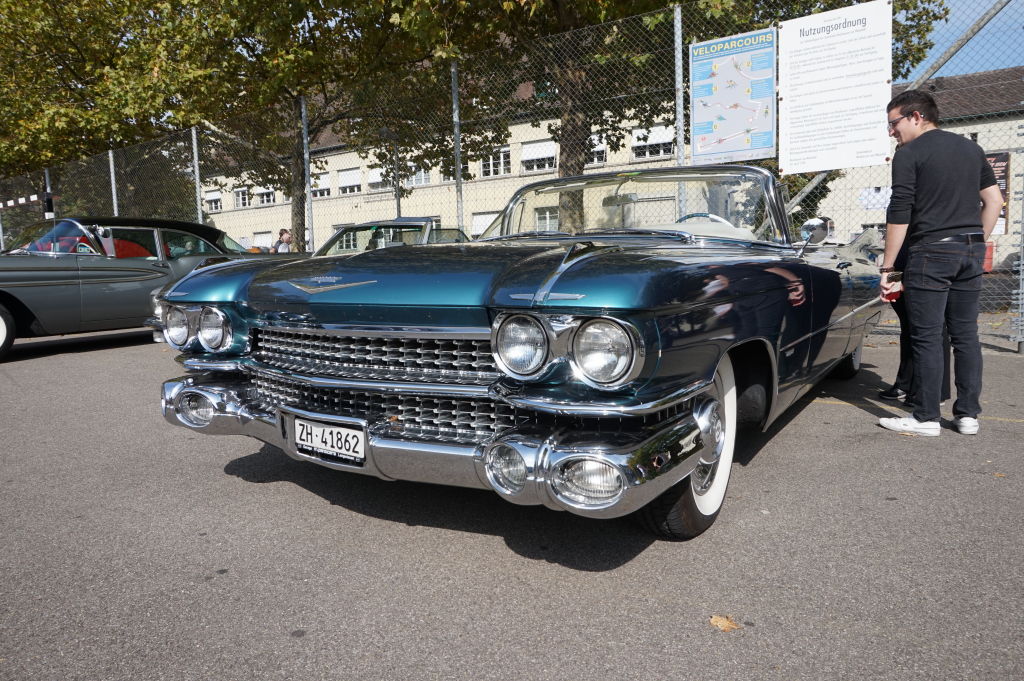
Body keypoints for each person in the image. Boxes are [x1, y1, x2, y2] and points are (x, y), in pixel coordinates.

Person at [877, 90, 1002, 436]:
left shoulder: (909, 154)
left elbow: (900, 211)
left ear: (916, 116)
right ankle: (968, 416)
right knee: (966, 335)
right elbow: (994, 200)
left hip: (930, 251)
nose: (892, 132)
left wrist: (889, 269)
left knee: (928, 336)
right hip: (969, 250)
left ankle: (926, 417)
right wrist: (975, 242)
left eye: (894, 123)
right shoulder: (971, 149)